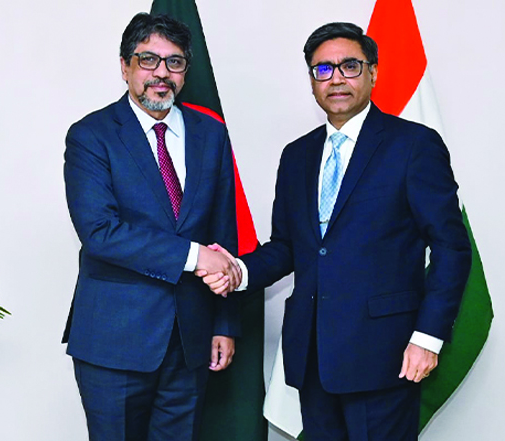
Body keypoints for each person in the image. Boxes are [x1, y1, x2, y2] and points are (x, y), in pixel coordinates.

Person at [199, 22, 472, 441]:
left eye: (350, 66)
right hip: (313, 357)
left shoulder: (413, 145)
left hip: (387, 356)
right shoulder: (297, 155)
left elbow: (451, 248)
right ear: (312, 80)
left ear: (373, 72)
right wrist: (238, 270)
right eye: (323, 69)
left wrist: (428, 337)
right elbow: (288, 247)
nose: (337, 78)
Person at [62, 12, 241, 441]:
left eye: (174, 62)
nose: (162, 73)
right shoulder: (91, 135)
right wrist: (195, 256)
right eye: (148, 60)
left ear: (185, 71)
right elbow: (100, 232)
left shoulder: (211, 134)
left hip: (191, 339)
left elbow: (223, 236)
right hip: (114, 341)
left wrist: (223, 323)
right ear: (125, 67)